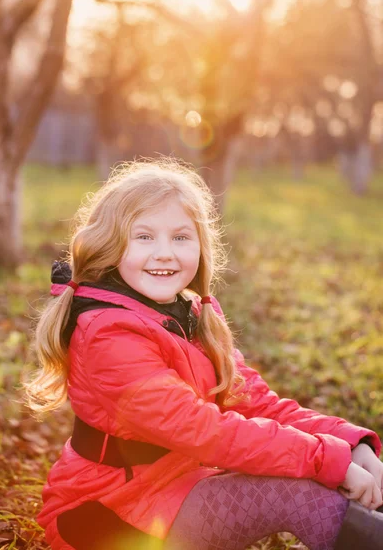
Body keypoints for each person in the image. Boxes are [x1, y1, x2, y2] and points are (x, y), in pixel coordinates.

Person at [24, 158, 383, 550]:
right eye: (144, 237)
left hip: (181, 485)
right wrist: (325, 461)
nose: (165, 253)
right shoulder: (107, 335)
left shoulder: (192, 313)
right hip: (112, 514)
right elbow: (203, 430)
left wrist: (348, 444)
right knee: (300, 488)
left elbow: (255, 403)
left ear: (201, 245)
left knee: (319, 468)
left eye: (181, 237)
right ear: (109, 245)